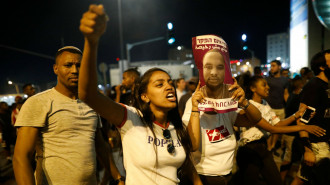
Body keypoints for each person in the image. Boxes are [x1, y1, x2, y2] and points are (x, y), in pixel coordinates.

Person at [78, 4, 202, 185]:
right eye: (159, 84)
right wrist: (91, 42)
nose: (168, 87)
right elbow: (87, 94)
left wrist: (197, 108)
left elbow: (190, 163)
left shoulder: (177, 125)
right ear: (145, 96)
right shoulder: (130, 118)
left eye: (170, 83)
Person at [12, 46, 116, 185]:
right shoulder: (38, 102)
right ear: (56, 69)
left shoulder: (90, 102)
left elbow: (100, 146)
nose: (74, 70)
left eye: (79, 65)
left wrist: (117, 176)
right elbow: (21, 158)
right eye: (68, 65)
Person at [182, 34, 262, 185]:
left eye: (219, 67)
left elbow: (255, 120)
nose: (213, 72)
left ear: (225, 71)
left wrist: (244, 102)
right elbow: (191, 145)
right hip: (204, 177)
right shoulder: (193, 102)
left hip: (228, 175)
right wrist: (194, 109)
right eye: (208, 67)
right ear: (202, 70)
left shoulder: (228, 100)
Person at [234, 75, 325, 185]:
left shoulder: (265, 103)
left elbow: (278, 124)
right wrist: (304, 127)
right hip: (249, 150)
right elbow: (272, 129)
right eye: (264, 85)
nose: (268, 87)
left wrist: (297, 114)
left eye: (267, 84)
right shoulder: (250, 107)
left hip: (262, 148)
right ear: (253, 89)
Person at [291, 49, 330, 185]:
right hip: (317, 144)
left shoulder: (327, 85)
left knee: (302, 178)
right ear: (322, 67)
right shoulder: (313, 86)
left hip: (326, 142)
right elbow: (301, 118)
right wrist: (307, 149)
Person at [265, 60, 290, 152]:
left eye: (274, 66)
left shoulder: (285, 80)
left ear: (279, 67)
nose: (271, 68)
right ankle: (268, 147)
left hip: (280, 108)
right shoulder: (267, 79)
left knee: (277, 129)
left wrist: (289, 105)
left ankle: (273, 146)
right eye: (271, 66)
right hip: (269, 108)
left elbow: (286, 94)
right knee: (269, 129)